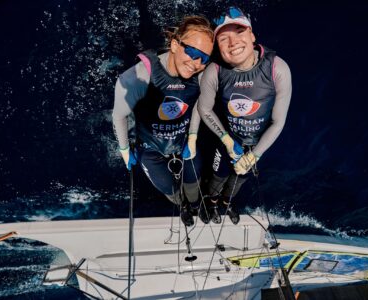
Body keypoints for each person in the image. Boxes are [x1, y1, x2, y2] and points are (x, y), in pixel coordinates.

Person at [112, 16, 214, 227]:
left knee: (193, 185)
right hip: (151, 149)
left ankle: (196, 203)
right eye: (193, 53)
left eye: (204, 59)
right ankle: (183, 206)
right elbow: (119, 115)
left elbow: (198, 104)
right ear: (175, 45)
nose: (196, 64)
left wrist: (193, 137)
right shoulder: (137, 76)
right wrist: (124, 149)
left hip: (184, 143)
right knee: (170, 190)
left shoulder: (203, 75)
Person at [198, 7, 292, 225]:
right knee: (218, 175)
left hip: (257, 144)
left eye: (239, 32)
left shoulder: (278, 68)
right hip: (227, 140)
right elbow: (204, 109)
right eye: (224, 38)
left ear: (252, 35)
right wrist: (226, 140)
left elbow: (278, 123)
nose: (233, 43)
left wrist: (255, 155)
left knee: (240, 178)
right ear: (217, 47)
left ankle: (225, 203)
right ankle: (210, 202)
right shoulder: (215, 71)